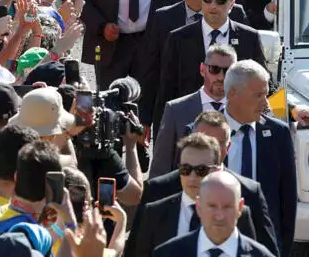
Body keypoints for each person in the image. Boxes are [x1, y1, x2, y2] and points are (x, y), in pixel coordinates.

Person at [126, 133, 274, 257]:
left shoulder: (239, 215)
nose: (192, 176)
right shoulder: (156, 215)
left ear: (216, 170)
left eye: (201, 170)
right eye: (185, 169)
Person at [156, 0, 267, 121]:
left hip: (237, 124)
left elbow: (265, 84)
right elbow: (166, 90)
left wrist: (293, 110)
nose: (213, 5)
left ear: (232, 4)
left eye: (220, 0)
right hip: (190, 126)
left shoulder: (249, 38)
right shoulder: (179, 39)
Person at [221, 60, 297, 255]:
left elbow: (287, 201)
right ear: (231, 94)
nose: (266, 103)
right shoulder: (204, 131)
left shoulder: (278, 134)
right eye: (258, 96)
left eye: (266, 94)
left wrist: (282, 250)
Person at [150, 45, 237, 177]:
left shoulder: (244, 109)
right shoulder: (176, 110)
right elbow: (160, 168)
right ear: (202, 69)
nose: (221, 77)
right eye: (214, 69)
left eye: (227, 71)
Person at [152, 170, 276, 257]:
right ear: (199, 206)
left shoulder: (262, 255)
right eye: (212, 206)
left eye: (227, 207)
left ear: (240, 208)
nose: (219, 215)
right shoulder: (167, 253)